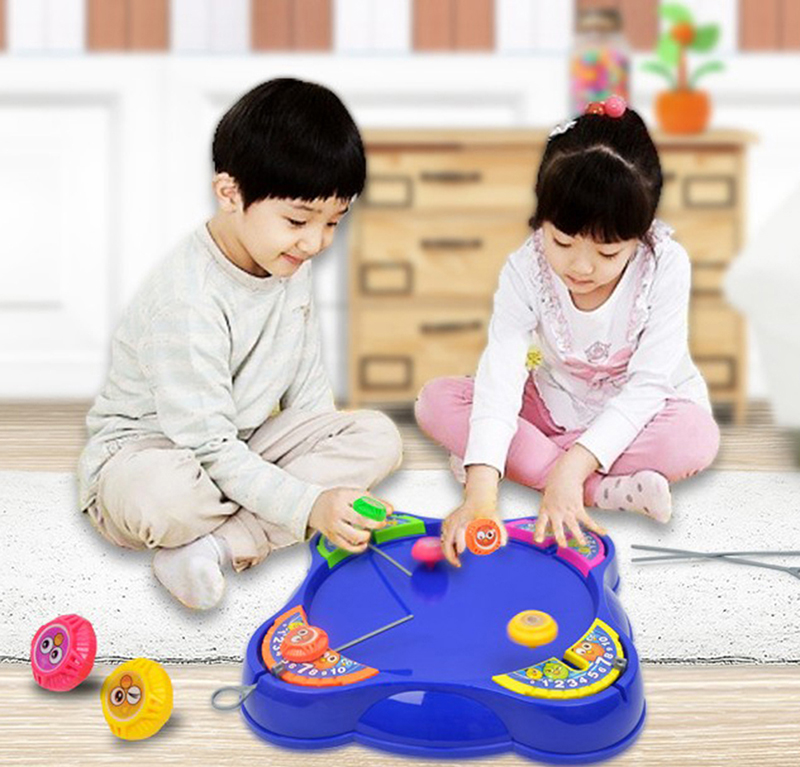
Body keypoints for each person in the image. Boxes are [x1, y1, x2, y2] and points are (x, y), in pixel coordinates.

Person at [77, 78, 403, 608]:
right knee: (166, 499)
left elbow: (308, 390)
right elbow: (206, 445)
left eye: (333, 222)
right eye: (298, 220)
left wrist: (316, 461)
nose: (315, 242)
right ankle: (248, 518)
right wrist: (308, 503)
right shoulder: (187, 299)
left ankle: (219, 545)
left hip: (242, 443)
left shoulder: (286, 259)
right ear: (230, 194)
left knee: (378, 436)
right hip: (155, 455)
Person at [414, 97, 719, 567]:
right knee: (436, 401)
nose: (581, 266)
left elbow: (649, 385)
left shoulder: (666, 265)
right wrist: (481, 494)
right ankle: (601, 490)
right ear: (541, 219)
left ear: (641, 235)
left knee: (696, 438)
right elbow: (501, 372)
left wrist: (565, 466)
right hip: (554, 402)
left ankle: (535, 467)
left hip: (646, 410)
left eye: (608, 253)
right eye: (561, 241)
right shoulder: (525, 268)